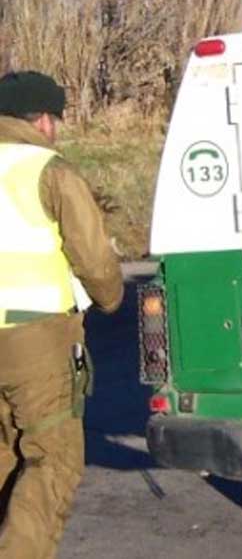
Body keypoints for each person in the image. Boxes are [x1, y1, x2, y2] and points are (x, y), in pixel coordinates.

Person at [0, 71, 123, 558]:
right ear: (45, 120)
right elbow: (95, 261)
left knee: (7, 460)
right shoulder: (50, 171)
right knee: (53, 461)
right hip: (36, 336)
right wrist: (111, 299)